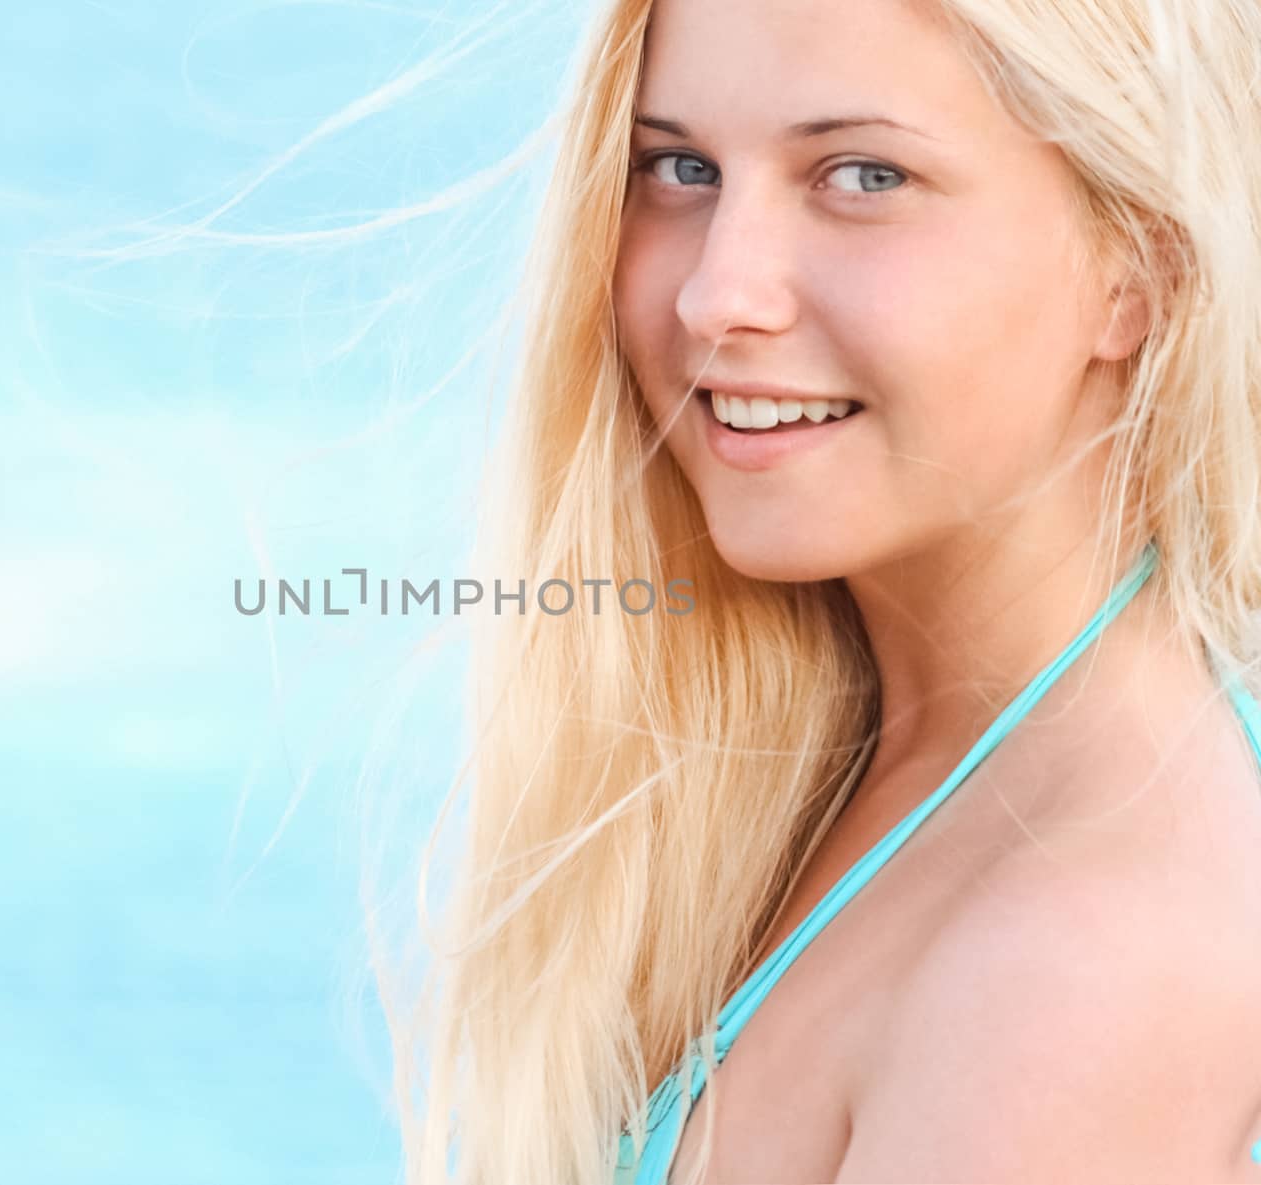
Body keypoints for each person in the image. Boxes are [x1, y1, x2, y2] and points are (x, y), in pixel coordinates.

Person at [378, 0, 1261, 1181]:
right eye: (679, 167)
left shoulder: (1075, 958)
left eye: (861, 175)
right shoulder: (907, 767)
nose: (715, 296)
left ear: (1140, 262)